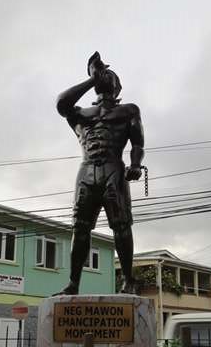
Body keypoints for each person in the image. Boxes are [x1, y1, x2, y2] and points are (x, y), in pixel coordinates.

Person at [55, 51, 145, 295]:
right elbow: (61, 104)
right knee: (80, 228)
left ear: (116, 86)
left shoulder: (128, 110)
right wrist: (91, 79)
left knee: (121, 226)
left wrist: (135, 164)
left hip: (113, 169)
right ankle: (73, 283)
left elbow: (138, 143)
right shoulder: (81, 115)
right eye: (102, 75)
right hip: (86, 171)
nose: (105, 77)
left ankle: (128, 279)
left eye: (108, 76)